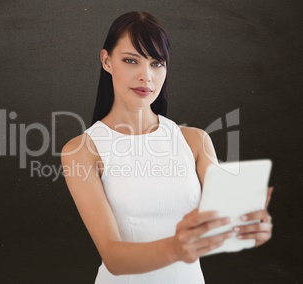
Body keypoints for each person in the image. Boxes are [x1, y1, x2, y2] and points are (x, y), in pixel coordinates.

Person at [60, 11, 273, 283]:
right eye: (130, 60)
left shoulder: (195, 141)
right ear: (106, 61)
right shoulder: (82, 150)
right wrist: (176, 247)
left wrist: (252, 230)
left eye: (156, 63)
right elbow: (113, 257)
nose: (145, 76)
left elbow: (225, 228)